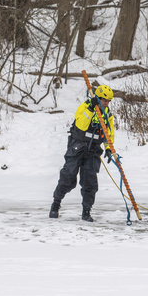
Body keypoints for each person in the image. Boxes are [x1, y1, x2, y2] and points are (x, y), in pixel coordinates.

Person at [49, 85, 115, 222]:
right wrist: (91, 109)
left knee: (90, 182)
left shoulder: (107, 114)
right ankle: (56, 203)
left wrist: (109, 148)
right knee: (68, 177)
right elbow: (81, 126)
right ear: (98, 98)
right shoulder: (84, 107)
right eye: (104, 100)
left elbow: (109, 133)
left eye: (109, 101)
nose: (107, 103)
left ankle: (86, 211)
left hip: (93, 151)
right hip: (77, 148)